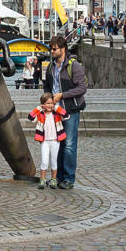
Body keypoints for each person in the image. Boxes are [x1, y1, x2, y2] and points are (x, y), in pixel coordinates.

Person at [43, 35, 87, 189]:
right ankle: (58, 177)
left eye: (54, 49)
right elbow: (47, 86)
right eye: (51, 49)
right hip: (55, 111)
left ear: (63, 49)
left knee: (69, 144)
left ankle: (69, 178)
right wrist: (47, 101)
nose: (52, 51)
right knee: (58, 144)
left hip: (70, 109)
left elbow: (82, 88)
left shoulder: (74, 66)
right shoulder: (50, 66)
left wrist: (63, 95)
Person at [28, 92, 69, 189]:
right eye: (47, 103)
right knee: (44, 161)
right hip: (45, 141)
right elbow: (30, 117)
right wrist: (39, 108)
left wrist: (56, 107)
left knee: (54, 161)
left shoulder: (57, 114)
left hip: (55, 141)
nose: (49, 105)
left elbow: (67, 116)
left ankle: (54, 180)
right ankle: (42, 179)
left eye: (51, 103)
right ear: (43, 104)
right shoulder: (40, 115)